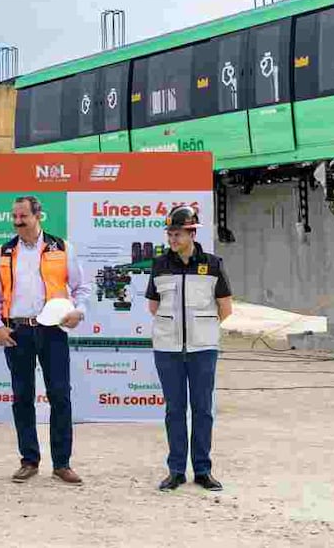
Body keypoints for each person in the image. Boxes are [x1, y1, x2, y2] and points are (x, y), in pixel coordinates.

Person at [0, 195, 91, 485]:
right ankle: (29, 460)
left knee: (60, 395)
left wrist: (79, 311)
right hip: (17, 332)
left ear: (37, 216)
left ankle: (62, 464)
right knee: (22, 397)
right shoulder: (4, 251)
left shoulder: (62, 247)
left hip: (53, 330)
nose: (18, 222)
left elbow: (81, 288)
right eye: (14, 217)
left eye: (23, 216)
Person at [146, 204, 233, 492]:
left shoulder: (213, 264)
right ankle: (176, 471)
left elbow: (225, 308)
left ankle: (203, 470)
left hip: (202, 349)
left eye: (178, 234)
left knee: (202, 409)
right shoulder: (160, 265)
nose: (172, 239)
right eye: (170, 234)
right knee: (174, 410)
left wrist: (202, 329)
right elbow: (153, 306)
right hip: (167, 349)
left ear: (192, 233)